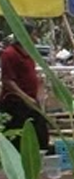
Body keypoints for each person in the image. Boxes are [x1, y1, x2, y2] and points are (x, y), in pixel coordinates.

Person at [0, 22, 50, 152]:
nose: (35, 39)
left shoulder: (29, 54)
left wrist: (39, 93)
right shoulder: (9, 54)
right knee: (18, 139)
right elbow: (8, 81)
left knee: (41, 136)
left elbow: (33, 75)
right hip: (16, 103)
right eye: (33, 35)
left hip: (33, 102)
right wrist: (25, 97)